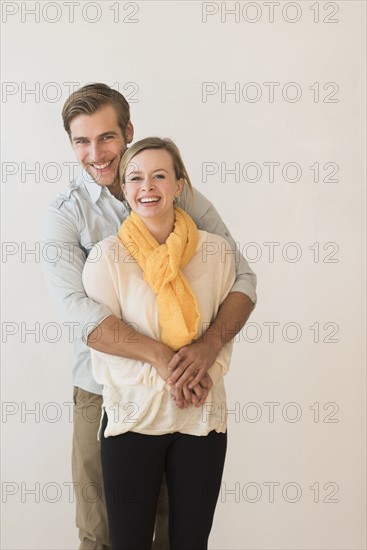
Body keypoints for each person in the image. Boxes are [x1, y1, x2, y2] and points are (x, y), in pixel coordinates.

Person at [41, 83, 257, 550]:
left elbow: (241, 279)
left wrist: (207, 347)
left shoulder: (180, 194)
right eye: (81, 141)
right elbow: (82, 315)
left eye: (106, 138)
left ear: (128, 132)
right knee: (103, 534)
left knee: (177, 532)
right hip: (104, 395)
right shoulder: (66, 216)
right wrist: (163, 358)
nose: (95, 153)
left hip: (187, 392)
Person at [82, 137, 241, 549]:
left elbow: (220, 336)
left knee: (191, 542)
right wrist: (178, 378)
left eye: (159, 176)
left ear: (179, 186)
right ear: (124, 189)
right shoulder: (106, 259)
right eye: (134, 178)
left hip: (201, 417)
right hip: (134, 420)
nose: (146, 187)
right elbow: (108, 349)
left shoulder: (218, 254)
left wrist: (204, 372)